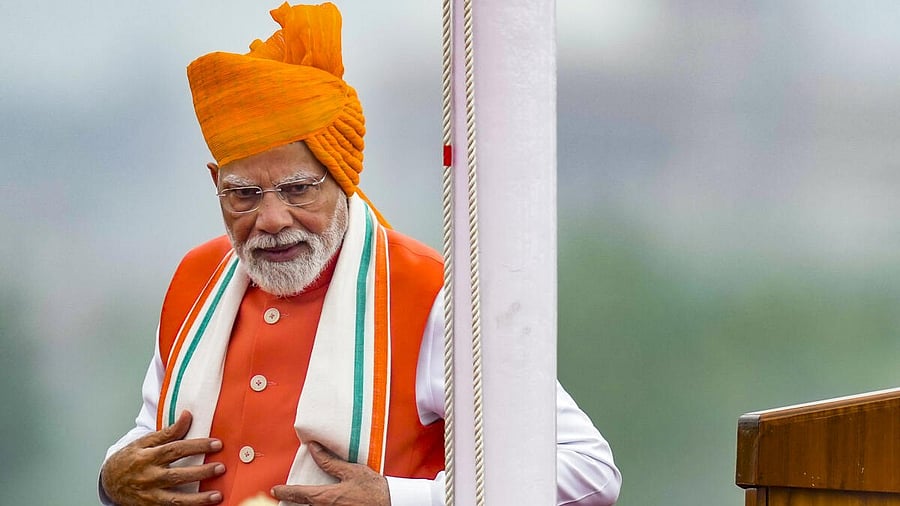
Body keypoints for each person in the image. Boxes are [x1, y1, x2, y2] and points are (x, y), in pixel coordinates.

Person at [99, 3, 622, 505]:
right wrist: (110, 479)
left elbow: (589, 471)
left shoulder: (430, 295)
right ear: (216, 184)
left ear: (342, 179)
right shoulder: (197, 278)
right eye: (244, 195)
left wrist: (399, 499)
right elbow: (155, 435)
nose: (272, 219)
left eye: (298, 189)